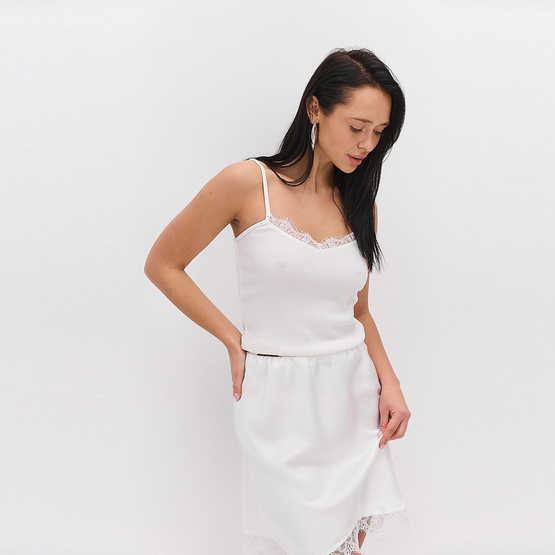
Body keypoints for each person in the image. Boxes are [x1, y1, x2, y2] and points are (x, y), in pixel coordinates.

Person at [144, 47, 411, 555]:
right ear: (316, 109)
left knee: (349, 549)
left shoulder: (362, 206)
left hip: (353, 397)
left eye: (379, 133)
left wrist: (391, 384)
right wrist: (233, 340)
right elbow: (163, 264)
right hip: (277, 403)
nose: (367, 144)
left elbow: (358, 312)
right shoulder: (246, 183)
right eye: (357, 127)